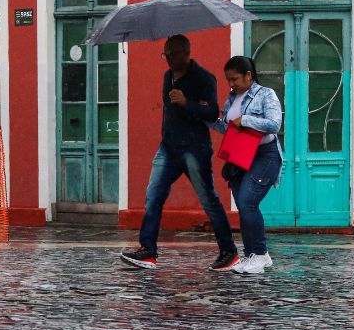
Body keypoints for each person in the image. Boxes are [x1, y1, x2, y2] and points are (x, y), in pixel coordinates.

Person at [121, 35, 239, 271]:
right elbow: (170, 109)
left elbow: (213, 111)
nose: (169, 60)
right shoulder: (168, 77)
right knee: (153, 195)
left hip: (195, 149)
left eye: (173, 54)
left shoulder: (204, 78)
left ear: (186, 53)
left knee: (209, 200)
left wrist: (188, 103)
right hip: (168, 147)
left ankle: (229, 252)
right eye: (166, 55)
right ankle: (148, 251)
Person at [209, 55, 283, 275]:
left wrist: (247, 120)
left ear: (249, 75)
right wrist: (209, 117)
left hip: (265, 155)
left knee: (248, 201)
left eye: (235, 79)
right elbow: (227, 128)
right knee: (243, 205)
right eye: (228, 80)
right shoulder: (232, 98)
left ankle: (259, 254)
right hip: (240, 156)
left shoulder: (266, 95)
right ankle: (254, 255)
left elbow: (274, 124)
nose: (231, 84)